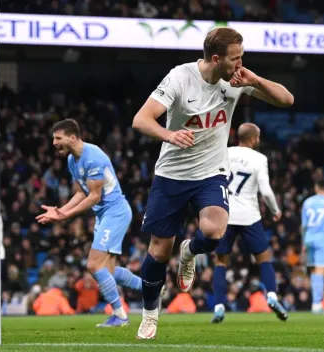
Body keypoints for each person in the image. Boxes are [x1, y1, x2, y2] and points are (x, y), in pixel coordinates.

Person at [132, 27, 294, 339]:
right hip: (172, 174)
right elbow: (141, 119)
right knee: (158, 251)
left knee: (214, 231)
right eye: (236, 58)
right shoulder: (180, 77)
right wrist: (169, 134)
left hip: (211, 172)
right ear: (216, 59)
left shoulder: (238, 79)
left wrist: (255, 81)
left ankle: (190, 252)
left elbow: (287, 100)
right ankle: (151, 314)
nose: (241, 63)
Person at [36, 119, 142, 327]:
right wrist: (60, 211)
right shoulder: (72, 160)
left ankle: (120, 316)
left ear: (72, 137)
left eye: (58, 138)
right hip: (104, 214)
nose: (54, 143)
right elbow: (81, 192)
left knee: (93, 265)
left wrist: (66, 216)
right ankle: (151, 288)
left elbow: (94, 195)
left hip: (115, 212)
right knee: (107, 273)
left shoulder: (93, 157)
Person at [211, 123, 287, 323]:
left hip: (225, 214)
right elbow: (266, 190)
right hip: (249, 216)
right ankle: (271, 295)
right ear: (253, 139)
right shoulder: (259, 158)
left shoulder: (224, 152)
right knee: (263, 258)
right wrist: (275, 211)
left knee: (220, 262)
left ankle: (219, 307)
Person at [301, 178, 324, 314]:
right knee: (320, 271)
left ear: (316, 188)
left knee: (314, 272)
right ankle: (316, 304)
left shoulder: (307, 202)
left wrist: (303, 243)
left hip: (309, 239)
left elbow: (303, 226)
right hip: (323, 239)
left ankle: (316, 302)